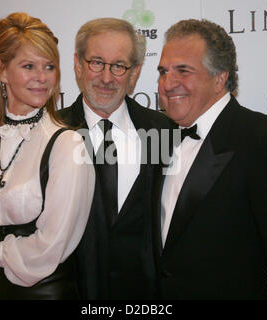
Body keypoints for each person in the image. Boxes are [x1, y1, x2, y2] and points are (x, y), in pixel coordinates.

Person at [154, 19, 267, 299]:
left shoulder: (263, 140)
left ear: (220, 77)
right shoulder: (159, 136)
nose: (168, 83)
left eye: (183, 71)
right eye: (163, 71)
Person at [0, 12, 95, 300]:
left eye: (49, 66)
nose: (42, 78)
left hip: (46, 294)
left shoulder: (68, 145)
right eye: (28, 66)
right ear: (1, 69)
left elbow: (51, 246)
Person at [58, 18, 173, 299]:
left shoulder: (165, 132)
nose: (107, 78)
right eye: (97, 62)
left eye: (118, 66)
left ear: (134, 73)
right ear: (77, 64)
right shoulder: (52, 134)